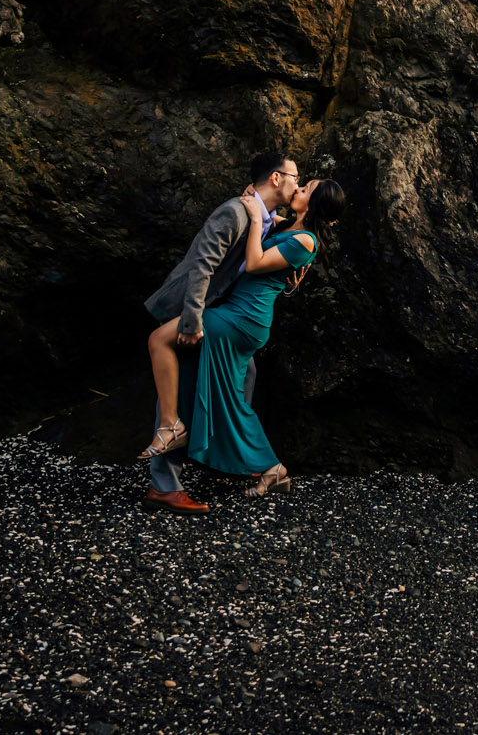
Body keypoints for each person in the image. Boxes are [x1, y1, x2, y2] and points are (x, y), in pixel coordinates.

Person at [138, 151, 299, 513]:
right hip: (194, 312)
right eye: (295, 176)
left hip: (223, 316)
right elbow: (202, 266)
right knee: (182, 389)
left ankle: (224, 457)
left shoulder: (271, 220)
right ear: (276, 178)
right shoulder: (236, 211)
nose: (298, 184)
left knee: (245, 378)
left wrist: (288, 282)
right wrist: (193, 321)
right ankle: (164, 484)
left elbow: (258, 273)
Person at [188, 176, 346, 497]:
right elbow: (264, 219)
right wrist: (258, 203)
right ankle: (255, 465)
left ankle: (268, 465)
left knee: (194, 330)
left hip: (245, 317)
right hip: (239, 310)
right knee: (232, 394)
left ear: (313, 204)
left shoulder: (307, 241)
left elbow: (255, 263)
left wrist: (259, 216)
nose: (298, 190)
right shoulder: (288, 225)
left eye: (306, 189)